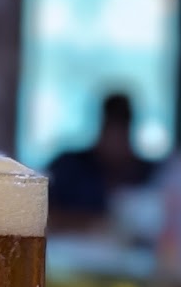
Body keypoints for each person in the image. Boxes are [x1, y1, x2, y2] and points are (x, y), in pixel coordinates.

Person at [47, 91, 157, 226]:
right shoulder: (68, 166)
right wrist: (94, 224)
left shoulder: (150, 173)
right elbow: (41, 216)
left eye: (122, 129)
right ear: (100, 126)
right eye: (111, 127)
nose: (116, 139)